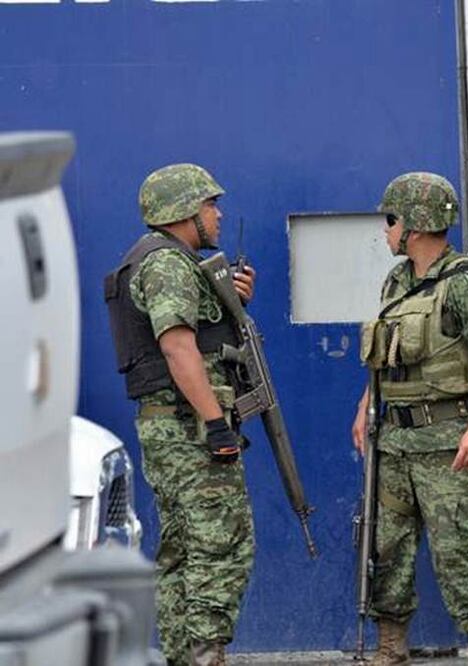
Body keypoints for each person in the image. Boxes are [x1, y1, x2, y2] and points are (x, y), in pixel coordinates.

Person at [351, 172, 468, 666]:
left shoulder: (465, 283)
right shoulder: (397, 281)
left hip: (447, 443)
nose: (386, 231)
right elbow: (385, 355)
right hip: (394, 439)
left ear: (414, 226)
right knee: (387, 547)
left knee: (456, 549)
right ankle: (391, 645)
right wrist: (365, 408)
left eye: (390, 220)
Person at [104, 163, 257, 666]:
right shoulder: (167, 264)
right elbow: (177, 348)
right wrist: (215, 423)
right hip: (188, 428)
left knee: (182, 550)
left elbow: (198, 335)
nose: (217, 215)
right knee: (222, 546)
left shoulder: (165, 262)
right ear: (184, 211)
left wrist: (230, 301)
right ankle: (204, 655)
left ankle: (182, 655)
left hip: (170, 425)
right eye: (210, 205)